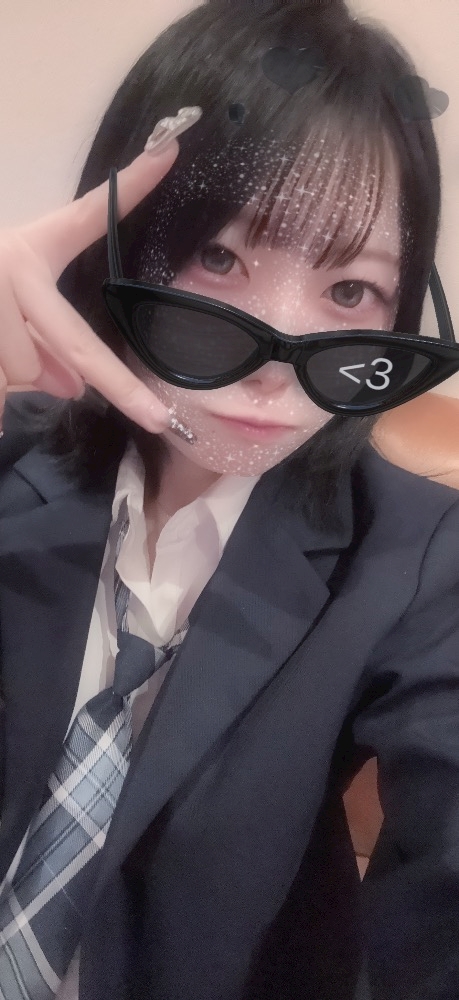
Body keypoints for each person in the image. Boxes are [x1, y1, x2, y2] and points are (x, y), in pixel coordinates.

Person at [0, 0, 458, 997]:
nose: (273, 370)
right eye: (219, 257)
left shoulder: (418, 557)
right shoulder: (13, 458)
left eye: (349, 291)